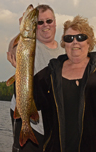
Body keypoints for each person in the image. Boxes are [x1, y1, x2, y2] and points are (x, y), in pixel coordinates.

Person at [33, 15, 96, 152]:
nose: (75, 42)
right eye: (69, 38)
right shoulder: (49, 74)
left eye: (80, 37)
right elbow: (29, 100)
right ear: (64, 44)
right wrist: (21, 69)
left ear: (89, 41)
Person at [7, 4, 64, 152]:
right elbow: (12, 50)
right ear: (34, 26)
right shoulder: (29, 43)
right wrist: (22, 29)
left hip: (52, 121)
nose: (45, 25)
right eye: (39, 22)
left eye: (49, 21)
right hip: (25, 113)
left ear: (55, 22)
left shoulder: (64, 52)